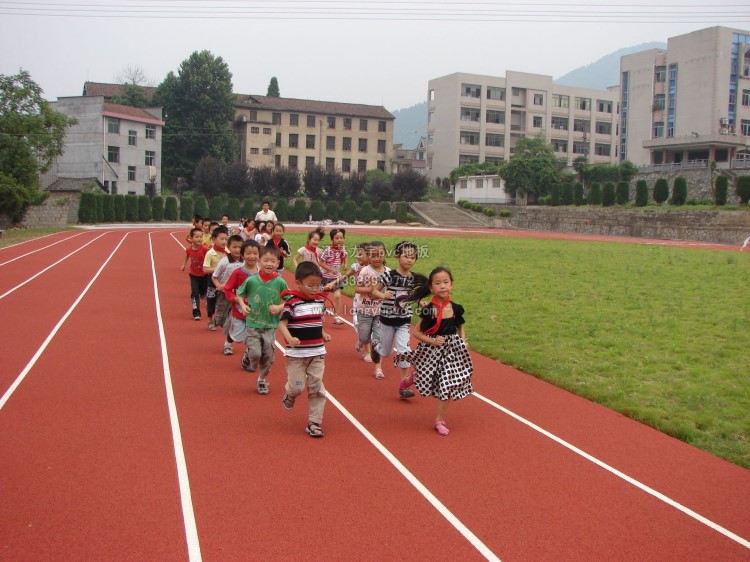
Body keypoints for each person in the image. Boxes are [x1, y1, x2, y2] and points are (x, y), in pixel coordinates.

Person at [397, 267, 473, 436]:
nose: (443, 286)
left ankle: (439, 419)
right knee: (425, 374)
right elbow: (416, 332)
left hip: (451, 351)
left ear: (452, 285)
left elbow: (460, 326)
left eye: (446, 282)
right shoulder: (429, 310)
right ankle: (411, 378)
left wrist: (463, 340)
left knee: (446, 383)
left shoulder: (456, 308)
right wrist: (433, 340)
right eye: (438, 283)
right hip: (431, 349)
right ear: (431, 288)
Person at [278, 261, 331, 438]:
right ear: (298, 283)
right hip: (297, 356)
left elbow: (315, 321)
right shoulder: (292, 303)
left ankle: (314, 423)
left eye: (318, 285)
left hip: (317, 354)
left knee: (317, 388)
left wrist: (323, 333)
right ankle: (290, 394)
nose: (315, 289)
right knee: (297, 386)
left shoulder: (319, 301)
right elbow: (282, 323)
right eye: (311, 285)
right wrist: (289, 338)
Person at [236, 245, 288, 395]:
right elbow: (240, 294)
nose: (269, 264)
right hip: (253, 323)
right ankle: (248, 355)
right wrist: (242, 304)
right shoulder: (252, 280)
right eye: (266, 260)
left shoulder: (280, 282)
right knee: (256, 354)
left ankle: (261, 379)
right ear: (259, 261)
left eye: (273, 261)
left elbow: (290, 300)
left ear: (278, 263)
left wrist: (280, 307)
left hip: (270, 326)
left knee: (268, 356)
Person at [371, 241, 419, 396]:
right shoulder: (388, 275)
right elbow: (374, 291)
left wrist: (421, 302)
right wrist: (383, 295)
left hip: (404, 320)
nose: (409, 260)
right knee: (386, 352)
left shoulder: (414, 279)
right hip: (386, 319)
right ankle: (376, 345)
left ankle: (404, 386)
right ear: (398, 256)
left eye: (413, 257)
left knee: (404, 352)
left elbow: (416, 295)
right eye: (406, 256)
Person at [222, 240, 260, 357]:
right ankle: (228, 342)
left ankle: (250, 354)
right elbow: (227, 289)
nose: (252, 256)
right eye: (248, 253)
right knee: (237, 336)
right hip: (239, 311)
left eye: (255, 253)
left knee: (253, 336)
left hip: (256, 312)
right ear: (242, 255)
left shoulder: (262, 274)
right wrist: (236, 299)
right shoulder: (237, 273)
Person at [354, 241, 388, 371]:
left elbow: (391, 289)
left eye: (380, 255)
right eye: (373, 256)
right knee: (364, 336)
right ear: (368, 256)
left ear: (385, 255)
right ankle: (361, 341)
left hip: (380, 311)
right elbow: (357, 289)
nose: (377, 258)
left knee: (378, 339)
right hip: (364, 310)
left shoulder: (388, 272)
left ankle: (378, 368)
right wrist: (370, 290)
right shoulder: (365, 271)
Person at [212, 234, 244, 345]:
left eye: (240, 247)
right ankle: (220, 321)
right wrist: (218, 285)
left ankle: (228, 342)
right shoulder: (224, 261)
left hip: (239, 296)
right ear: (228, 247)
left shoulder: (245, 262)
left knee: (232, 318)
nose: (237, 250)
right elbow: (214, 276)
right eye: (234, 247)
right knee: (221, 318)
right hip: (224, 293)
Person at [203, 226, 229, 331]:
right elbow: (205, 269)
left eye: (226, 239)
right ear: (214, 239)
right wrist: (217, 269)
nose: (224, 241)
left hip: (225, 281)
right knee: (211, 300)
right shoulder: (210, 253)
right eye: (221, 239)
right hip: (212, 281)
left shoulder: (228, 252)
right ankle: (210, 319)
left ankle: (220, 319)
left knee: (224, 301)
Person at [319, 228, 348, 324]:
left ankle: (336, 316)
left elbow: (345, 256)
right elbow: (321, 262)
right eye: (337, 238)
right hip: (325, 277)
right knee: (322, 297)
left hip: (337, 277)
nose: (339, 240)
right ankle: (321, 313)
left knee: (338, 296)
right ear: (332, 240)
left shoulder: (343, 248)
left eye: (341, 238)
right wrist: (330, 269)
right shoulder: (327, 250)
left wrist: (345, 265)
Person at [180, 227, 209, 321]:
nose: (199, 239)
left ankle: (203, 293)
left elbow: (211, 257)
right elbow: (187, 256)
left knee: (203, 292)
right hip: (194, 275)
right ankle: (196, 312)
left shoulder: (205, 249)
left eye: (201, 237)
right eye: (197, 237)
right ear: (191, 238)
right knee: (194, 293)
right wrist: (184, 264)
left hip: (204, 275)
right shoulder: (189, 250)